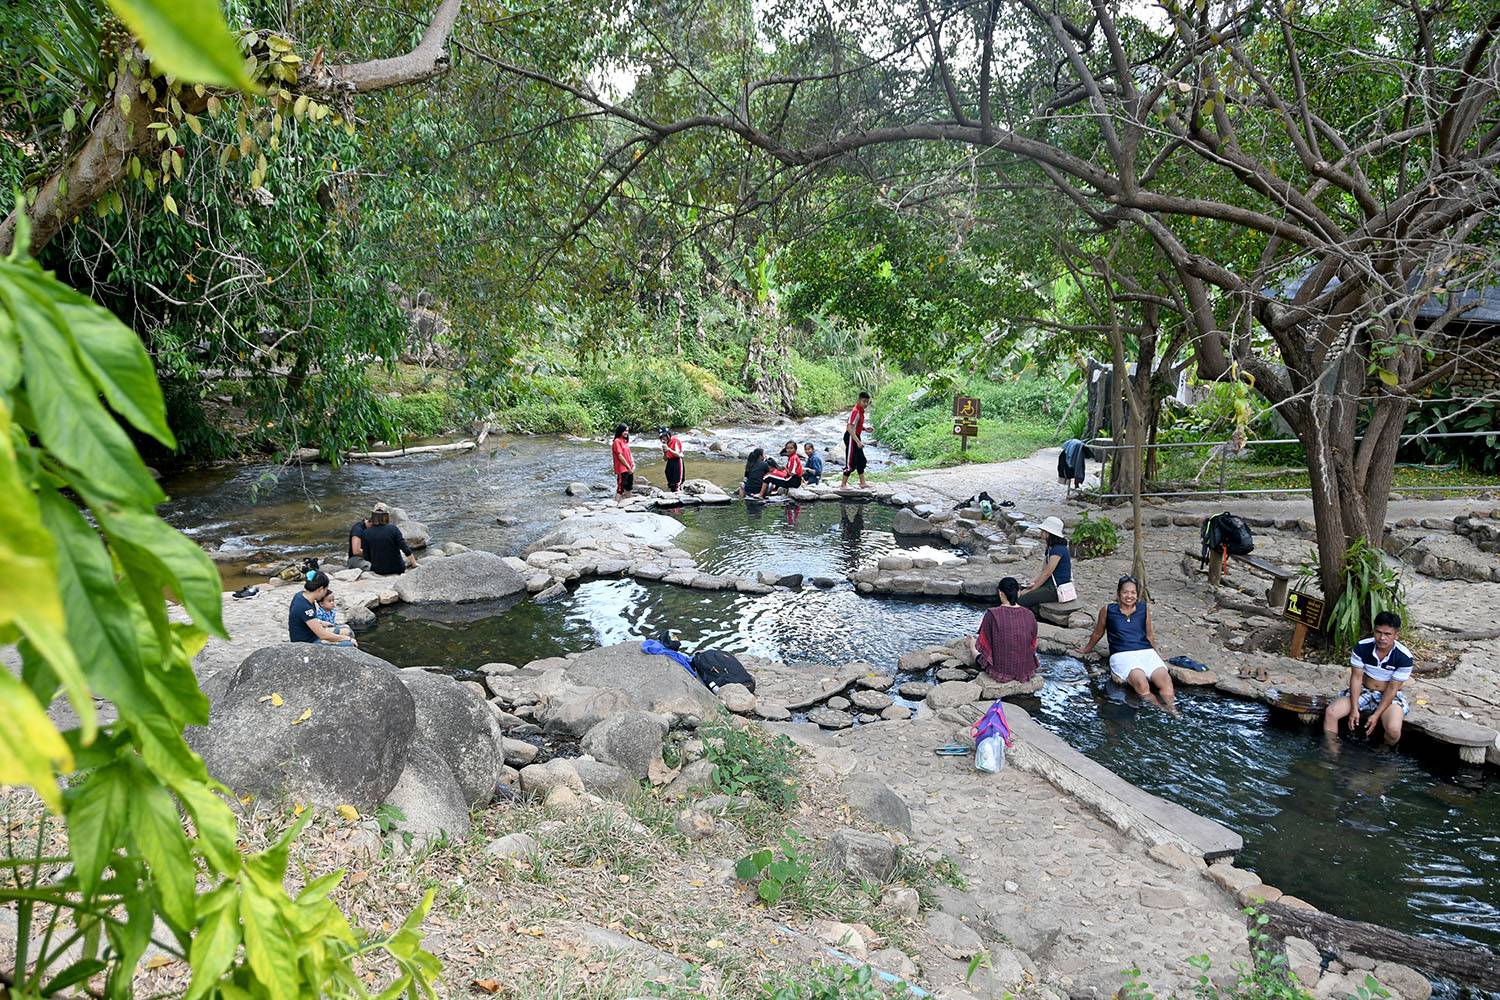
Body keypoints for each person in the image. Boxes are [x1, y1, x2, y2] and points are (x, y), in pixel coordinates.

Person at [1080, 576, 1177, 713]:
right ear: (1119, 593)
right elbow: (1098, 633)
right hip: (1122, 654)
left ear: (1137, 594)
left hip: (1146, 652)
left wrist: (1157, 654)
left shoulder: (1144, 609)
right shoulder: (1108, 610)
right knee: (1141, 684)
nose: (1129, 596)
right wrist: (1086, 649)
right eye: (1125, 592)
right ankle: (1160, 709)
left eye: (1133, 592)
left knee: (1166, 681)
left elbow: (1149, 635)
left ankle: (1173, 711)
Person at [1323, 611, 1413, 745]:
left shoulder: (1404, 657)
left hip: (1389, 695)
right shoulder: (1362, 647)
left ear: (1396, 635)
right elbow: (1356, 678)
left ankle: (1383, 753)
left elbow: (1393, 688)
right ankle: (1331, 755)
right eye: (1378, 632)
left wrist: (1376, 715)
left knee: (1393, 730)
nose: (1382, 638)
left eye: (1387, 634)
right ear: (1374, 631)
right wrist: (1354, 709)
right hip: (1364, 690)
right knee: (1331, 712)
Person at [974, 577, 1038, 682]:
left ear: (1000, 593)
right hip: (1025, 669)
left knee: (973, 647)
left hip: (1000, 670)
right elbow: (1033, 643)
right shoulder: (1029, 614)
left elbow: (983, 644)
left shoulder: (992, 614)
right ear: (1018, 593)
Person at [1017, 516, 1074, 610]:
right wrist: (1031, 583)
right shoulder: (1051, 547)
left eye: (1043, 531)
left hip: (1055, 588)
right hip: (1049, 583)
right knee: (1022, 591)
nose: (1041, 532)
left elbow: (1047, 573)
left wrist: (1031, 589)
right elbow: (1043, 570)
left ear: (1049, 533)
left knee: (1022, 600)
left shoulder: (1058, 549)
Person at [288, 571, 353, 645]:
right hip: (307, 643)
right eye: (325, 590)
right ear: (321, 589)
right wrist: (348, 639)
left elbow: (306, 619)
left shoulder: (300, 595)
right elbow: (323, 635)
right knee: (349, 643)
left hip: (312, 634)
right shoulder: (305, 607)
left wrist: (320, 622)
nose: (325, 593)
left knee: (347, 630)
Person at [360, 505, 416, 575]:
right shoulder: (393, 529)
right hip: (397, 568)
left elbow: (366, 556)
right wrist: (414, 564)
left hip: (378, 570)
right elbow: (405, 548)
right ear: (386, 516)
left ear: (373, 517)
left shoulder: (366, 532)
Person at [840, 391, 871, 489]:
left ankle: (862, 483)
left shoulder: (861, 411)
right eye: (864, 401)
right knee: (851, 462)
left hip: (856, 436)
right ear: (859, 400)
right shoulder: (855, 411)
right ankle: (843, 484)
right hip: (851, 437)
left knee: (861, 460)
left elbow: (856, 425)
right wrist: (857, 441)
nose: (865, 404)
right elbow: (849, 428)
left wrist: (864, 428)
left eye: (867, 402)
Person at [612, 424, 635, 498]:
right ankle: (615, 505)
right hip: (622, 469)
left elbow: (629, 454)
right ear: (620, 431)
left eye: (627, 431)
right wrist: (628, 466)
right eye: (625, 431)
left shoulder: (625, 441)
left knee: (629, 487)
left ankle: (629, 504)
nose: (626, 432)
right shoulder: (617, 441)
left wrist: (632, 464)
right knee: (620, 489)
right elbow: (620, 455)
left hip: (629, 467)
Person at [659, 426, 685, 492]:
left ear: (668, 434)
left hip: (677, 461)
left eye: (664, 436)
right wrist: (665, 452)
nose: (663, 438)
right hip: (670, 462)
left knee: (677, 483)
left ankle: (678, 495)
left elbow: (679, 454)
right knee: (671, 482)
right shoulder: (665, 443)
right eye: (662, 437)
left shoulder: (675, 441)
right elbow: (665, 459)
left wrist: (669, 449)